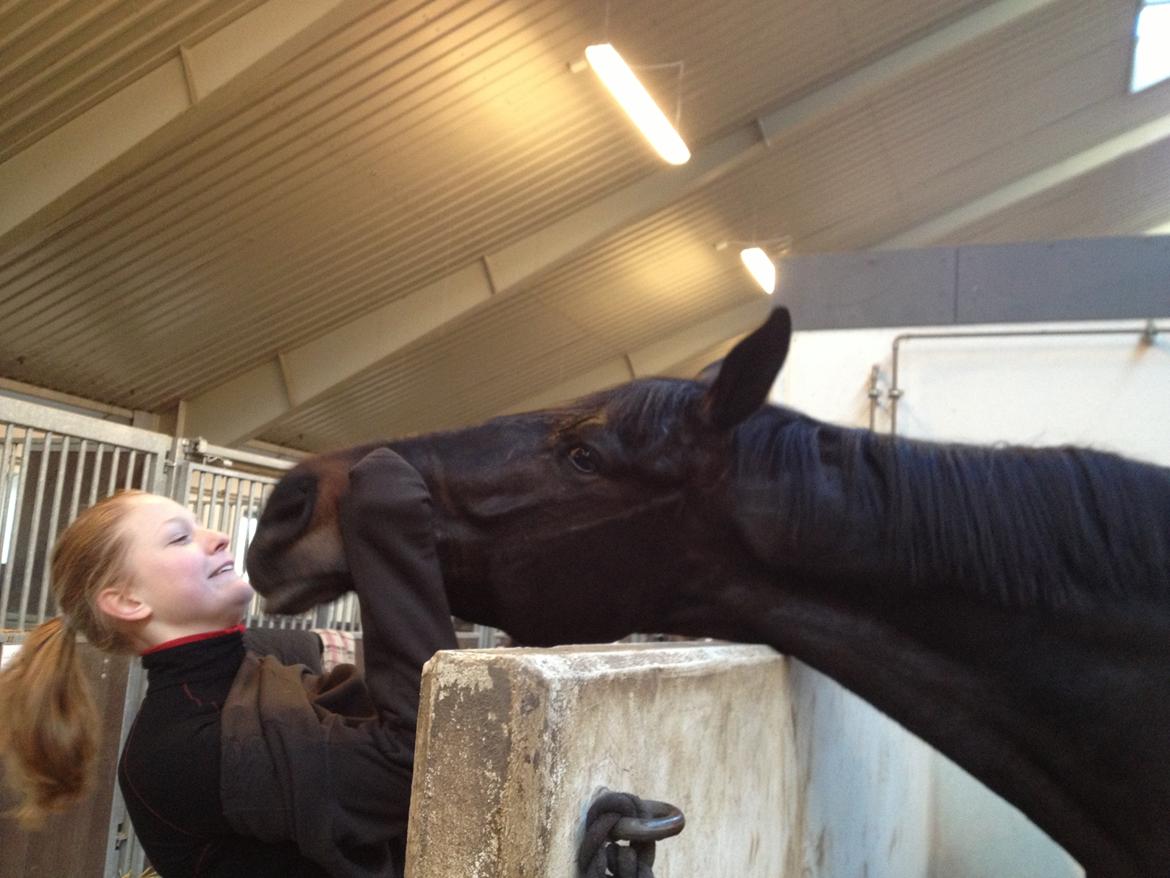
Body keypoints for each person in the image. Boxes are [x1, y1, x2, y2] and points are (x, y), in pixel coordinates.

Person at [0, 448, 457, 877]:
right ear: (126, 600)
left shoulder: (261, 671)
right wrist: (386, 528)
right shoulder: (181, 749)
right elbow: (427, 768)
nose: (218, 538)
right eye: (179, 537)